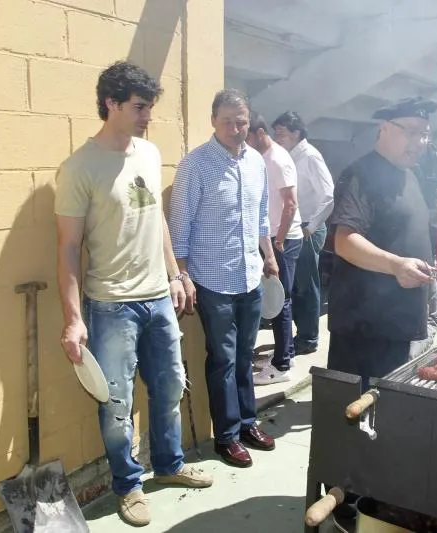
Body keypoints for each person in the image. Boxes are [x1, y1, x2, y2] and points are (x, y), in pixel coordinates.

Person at [55, 61, 212, 527]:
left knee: (167, 389)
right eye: (141, 107)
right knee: (117, 402)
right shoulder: (80, 167)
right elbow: (67, 248)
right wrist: (72, 316)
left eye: (150, 107)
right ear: (112, 104)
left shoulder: (147, 152)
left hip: (159, 299)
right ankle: (128, 485)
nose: (148, 116)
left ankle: (169, 465)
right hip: (111, 305)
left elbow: (156, 218)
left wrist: (175, 274)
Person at [169, 89, 279, 469]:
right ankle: (227, 436)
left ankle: (249, 423)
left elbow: (261, 217)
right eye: (228, 121)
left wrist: (269, 257)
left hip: (250, 275)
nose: (236, 128)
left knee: (246, 355)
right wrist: (182, 276)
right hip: (212, 280)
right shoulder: (195, 166)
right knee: (224, 359)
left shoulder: (256, 163)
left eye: (242, 121)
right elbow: (179, 228)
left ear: (250, 122)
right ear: (214, 122)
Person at [327, 97, 437, 391]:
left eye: (425, 133)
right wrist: (398, 265)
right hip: (364, 326)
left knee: (387, 413)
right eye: (412, 131)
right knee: (356, 413)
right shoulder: (362, 174)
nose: (420, 142)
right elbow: (344, 241)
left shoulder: (410, 175)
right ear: (384, 129)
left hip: (398, 322)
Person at [246, 112, 304, 384]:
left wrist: (278, 241)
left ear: (259, 133)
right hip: (270, 238)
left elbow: (290, 204)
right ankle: (287, 353)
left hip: (285, 239)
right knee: (275, 296)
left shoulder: (278, 159)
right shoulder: (260, 156)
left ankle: (281, 367)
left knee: (281, 300)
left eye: (247, 137)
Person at [272, 112, 334, 355]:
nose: (278, 138)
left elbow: (328, 196)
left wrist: (311, 226)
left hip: (307, 228)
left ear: (296, 133)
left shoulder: (310, 157)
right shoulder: (287, 156)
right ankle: (299, 334)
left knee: (306, 286)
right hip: (294, 226)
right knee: (295, 285)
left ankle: (308, 339)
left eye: (282, 133)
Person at [409, 141, 437, 359]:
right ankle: (409, 360)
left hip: (426, 258)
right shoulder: (404, 179)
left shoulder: (430, 182)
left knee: (429, 317)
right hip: (408, 263)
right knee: (426, 319)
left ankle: (410, 358)